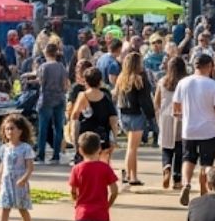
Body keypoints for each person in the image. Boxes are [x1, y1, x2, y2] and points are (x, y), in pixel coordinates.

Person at [173, 53, 215, 206]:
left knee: (188, 158)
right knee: (206, 163)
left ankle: (187, 183)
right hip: (208, 129)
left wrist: (184, 115)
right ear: (208, 66)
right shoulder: (213, 85)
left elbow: (176, 106)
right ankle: (205, 190)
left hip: (189, 128)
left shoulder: (183, 83)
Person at [0, 114, 36, 221]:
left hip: (19, 183)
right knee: (4, 209)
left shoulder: (26, 148)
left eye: (12, 128)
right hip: (6, 183)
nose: (9, 132)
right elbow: (2, 166)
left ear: (20, 131)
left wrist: (24, 178)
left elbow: (30, 167)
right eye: (7, 129)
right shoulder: (4, 148)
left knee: (22, 209)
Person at [114, 52, 153, 186]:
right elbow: (145, 100)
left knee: (130, 147)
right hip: (136, 114)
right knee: (133, 148)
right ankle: (133, 176)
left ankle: (127, 173)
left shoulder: (121, 78)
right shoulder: (139, 78)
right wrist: (151, 116)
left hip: (123, 114)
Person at [68, 67, 119, 164]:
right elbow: (113, 119)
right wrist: (114, 139)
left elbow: (74, 116)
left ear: (85, 81)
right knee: (102, 165)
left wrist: (75, 140)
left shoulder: (83, 96)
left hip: (86, 137)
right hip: (102, 135)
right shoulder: (106, 97)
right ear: (100, 81)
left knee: (86, 164)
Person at [33, 42, 69, 164]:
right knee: (58, 128)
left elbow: (41, 81)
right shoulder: (61, 66)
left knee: (43, 128)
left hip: (46, 99)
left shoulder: (44, 67)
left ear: (46, 52)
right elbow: (65, 85)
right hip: (59, 98)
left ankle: (41, 154)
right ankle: (56, 155)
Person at [155, 56, 186, 190]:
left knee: (166, 146)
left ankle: (166, 166)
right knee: (179, 148)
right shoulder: (185, 82)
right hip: (181, 116)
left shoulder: (162, 81)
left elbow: (156, 101)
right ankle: (177, 178)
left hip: (166, 116)